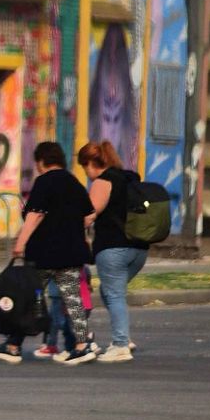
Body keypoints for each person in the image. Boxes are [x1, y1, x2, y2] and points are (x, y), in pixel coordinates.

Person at [0, 141, 97, 365]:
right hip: (71, 253)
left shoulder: (44, 182)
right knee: (72, 300)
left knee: (28, 297)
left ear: (41, 161)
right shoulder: (74, 182)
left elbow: (35, 215)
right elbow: (89, 215)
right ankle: (81, 346)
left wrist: (21, 242)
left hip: (45, 253)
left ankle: (13, 346)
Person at [78, 141, 144, 363]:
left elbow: (89, 214)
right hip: (139, 248)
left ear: (90, 163)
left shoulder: (102, 181)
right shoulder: (129, 178)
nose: (85, 173)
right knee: (111, 292)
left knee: (114, 294)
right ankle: (124, 336)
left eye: (84, 167)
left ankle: (120, 344)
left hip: (113, 247)